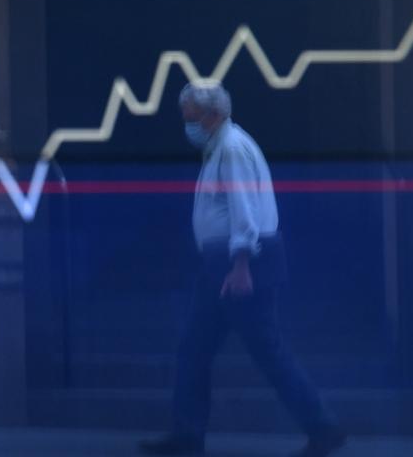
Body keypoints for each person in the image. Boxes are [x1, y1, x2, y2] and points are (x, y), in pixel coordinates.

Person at [138, 83, 346, 457]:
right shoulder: (219, 146)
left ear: (213, 115)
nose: (188, 126)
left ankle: (323, 426)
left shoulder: (231, 149)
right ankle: (187, 436)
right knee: (195, 351)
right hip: (223, 265)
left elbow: (244, 211)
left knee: (265, 353)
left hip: (243, 265)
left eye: (191, 118)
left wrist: (241, 265)